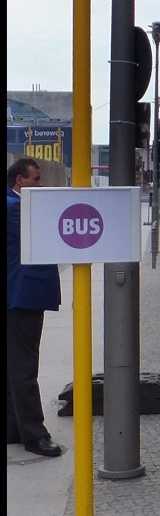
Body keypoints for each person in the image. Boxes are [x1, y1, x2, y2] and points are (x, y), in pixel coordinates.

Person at [7, 156, 63, 456]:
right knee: (25, 368)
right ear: (20, 181)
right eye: (36, 179)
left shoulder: (13, 204)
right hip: (21, 297)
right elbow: (53, 232)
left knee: (13, 366)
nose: (42, 184)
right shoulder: (17, 209)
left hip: (16, 296)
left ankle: (14, 428)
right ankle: (34, 436)